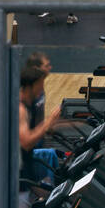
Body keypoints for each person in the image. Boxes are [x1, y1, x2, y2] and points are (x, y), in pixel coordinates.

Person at [19, 58, 62, 193]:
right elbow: (26, 142)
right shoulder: (19, 109)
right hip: (16, 176)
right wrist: (48, 122)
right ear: (30, 86)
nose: (42, 89)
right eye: (40, 85)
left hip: (27, 164)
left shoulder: (28, 104)